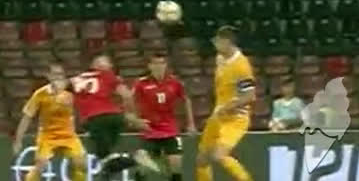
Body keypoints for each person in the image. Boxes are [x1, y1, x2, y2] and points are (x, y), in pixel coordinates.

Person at [70, 54, 148, 178]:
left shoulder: (75, 79)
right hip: (115, 118)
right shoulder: (108, 75)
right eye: (107, 62)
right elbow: (127, 95)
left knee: (105, 158)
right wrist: (132, 115)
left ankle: (135, 159)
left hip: (95, 120)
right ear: (95, 64)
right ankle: (128, 162)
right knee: (107, 162)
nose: (109, 65)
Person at [196, 26, 256, 181]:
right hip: (218, 116)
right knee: (202, 159)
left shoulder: (241, 66)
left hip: (235, 118)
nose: (215, 44)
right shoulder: (220, 59)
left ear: (227, 42)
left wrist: (230, 106)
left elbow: (249, 96)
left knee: (219, 155)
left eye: (217, 41)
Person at [12, 62, 87, 181]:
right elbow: (27, 117)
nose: (58, 77)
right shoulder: (40, 94)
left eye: (60, 74)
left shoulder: (71, 92)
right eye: (55, 74)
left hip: (68, 135)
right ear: (48, 76)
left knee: (81, 164)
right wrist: (18, 140)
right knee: (40, 166)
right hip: (47, 135)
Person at [131, 53, 196, 181]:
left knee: (176, 165)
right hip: (149, 130)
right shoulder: (141, 83)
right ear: (150, 66)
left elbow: (186, 100)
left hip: (169, 129)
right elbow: (130, 101)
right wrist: (136, 119)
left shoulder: (175, 82)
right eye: (155, 63)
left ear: (166, 65)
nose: (159, 66)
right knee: (142, 165)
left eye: (162, 63)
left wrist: (191, 123)